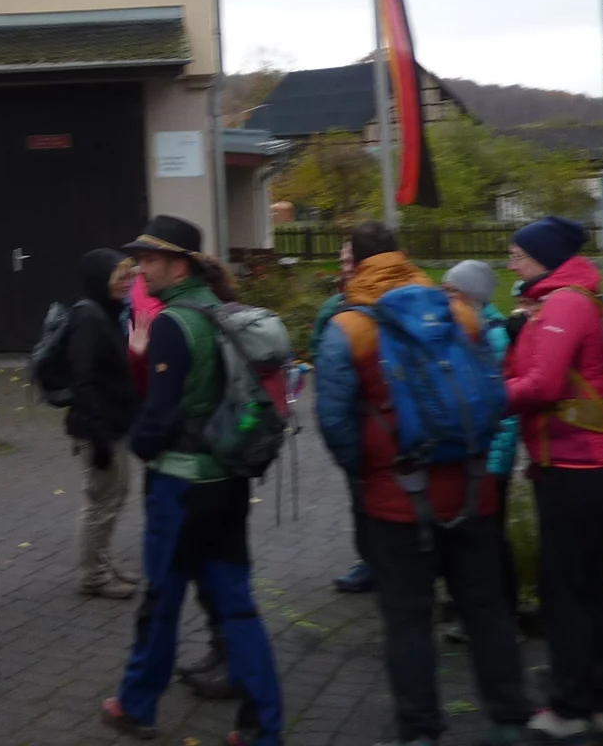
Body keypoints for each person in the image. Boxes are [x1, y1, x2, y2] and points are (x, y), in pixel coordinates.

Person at [315, 223, 529, 746]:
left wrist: (366, 473)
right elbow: (492, 393)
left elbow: (335, 421)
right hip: (472, 491)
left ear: (358, 264)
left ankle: (421, 730)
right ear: (402, 255)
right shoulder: (458, 312)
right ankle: (508, 720)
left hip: (395, 501)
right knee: (485, 609)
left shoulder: (347, 328)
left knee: (408, 620)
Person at [102, 215, 283, 745]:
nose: (141, 268)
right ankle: (261, 724)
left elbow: (158, 419)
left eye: (150, 259)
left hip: (180, 489)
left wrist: (136, 442)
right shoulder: (222, 312)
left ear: (179, 264)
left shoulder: (173, 324)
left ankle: (136, 706)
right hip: (227, 482)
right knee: (237, 602)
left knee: (162, 601)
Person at [502, 217, 603, 746]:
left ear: (544, 258)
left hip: (576, 466)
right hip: (592, 465)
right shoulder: (566, 300)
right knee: (591, 585)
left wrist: (491, 395)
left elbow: (544, 384)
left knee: (565, 590)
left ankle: (570, 705)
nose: (512, 263)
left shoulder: (564, 304)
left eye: (518, 254)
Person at [445, 258, 524, 617]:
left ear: (470, 295)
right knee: (475, 537)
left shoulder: (491, 335)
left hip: (490, 459)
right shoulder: (468, 329)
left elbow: (501, 406)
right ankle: (479, 612)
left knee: (489, 539)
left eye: (451, 292)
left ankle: (502, 614)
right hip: (475, 457)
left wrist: (495, 464)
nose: (445, 299)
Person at [66, 249, 140, 599]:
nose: (127, 282)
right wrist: (97, 437)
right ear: (101, 280)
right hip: (100, 428)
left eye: (129, 275)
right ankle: (92, 576)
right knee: (100, 500)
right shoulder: (88, 317)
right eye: (119, 277)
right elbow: (83, 380)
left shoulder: (109, 314)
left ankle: (102, 562)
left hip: (114, 423)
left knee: (114, 495)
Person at [312, 241, 375, 596]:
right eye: (342, 260)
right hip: (355, 419)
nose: (346, 266)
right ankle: (370, 562)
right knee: (362, 498)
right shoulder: (335, 307)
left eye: (352, 259)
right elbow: (319, 349)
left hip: (375, 419)